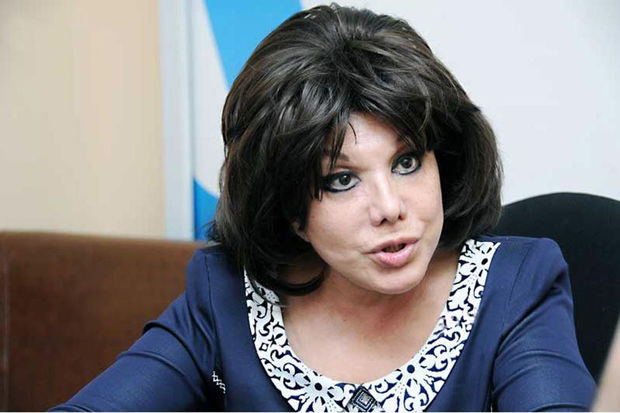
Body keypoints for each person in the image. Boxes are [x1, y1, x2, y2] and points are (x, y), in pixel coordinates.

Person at [52, 4, 595, 411]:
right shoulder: (224, 294)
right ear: (288, 205)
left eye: (406, 162)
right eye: (341, 180)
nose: (390, 208)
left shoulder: (517, 285)